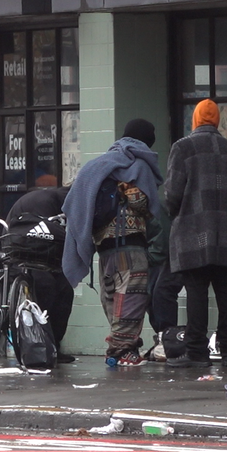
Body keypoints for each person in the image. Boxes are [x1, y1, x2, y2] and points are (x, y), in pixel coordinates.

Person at [64, 118, 164, 367]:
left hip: (104, 246)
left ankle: (121, 347)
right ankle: (121, 351)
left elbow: (75, 202)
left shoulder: (99, 164)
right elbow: (145, 205)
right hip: (130, 246)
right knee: (132, 295)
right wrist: (130, 191)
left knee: (113, 296)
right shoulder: (138, 163)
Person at [164, 100, 227, 369]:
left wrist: (173, 212)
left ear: (196, 119)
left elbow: (171, 195)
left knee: (196, 293)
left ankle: (197, 352)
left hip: (193, 234)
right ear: (216, 121)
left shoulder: (182, 148)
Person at [7, 186, 76, 364]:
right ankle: (39, 344)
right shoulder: (44, 202)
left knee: (65, 291)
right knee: (46, 288)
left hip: (42, 254)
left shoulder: (52, 201)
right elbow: (47, 234)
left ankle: (53, 346)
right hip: (25, 253)